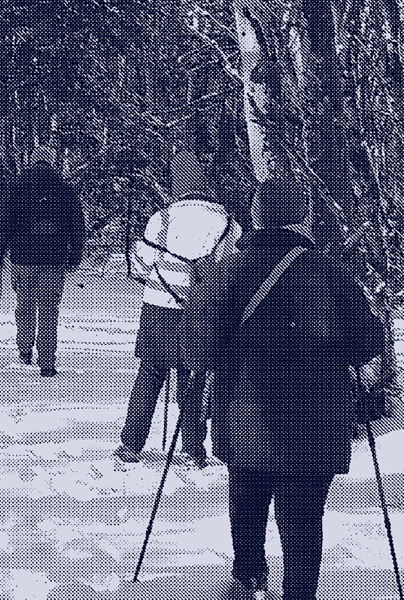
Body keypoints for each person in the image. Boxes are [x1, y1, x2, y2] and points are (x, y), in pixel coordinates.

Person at [181, 174, 383, 598]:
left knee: (247, 503)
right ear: (303, 217)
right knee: (304, 517)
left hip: (245, 411)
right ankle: (298, 592)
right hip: (317, 417)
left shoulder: (226, 272)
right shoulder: (332, 272)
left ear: (256, 215)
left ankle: (248, 576)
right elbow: (367, 343)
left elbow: (198, 350)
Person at [115, 192, 242, 469]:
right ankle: (193, 449)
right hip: (202, 311)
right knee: (194, 381)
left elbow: (140, 266)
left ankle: (131, 444)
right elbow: (229, 271)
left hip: (159, 308)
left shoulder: (162, 219)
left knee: (149, 376)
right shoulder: (228, 224)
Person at [0, 159, 86, 377]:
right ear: (53, 164)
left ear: (31, 164)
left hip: (23, 259)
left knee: (25, 306)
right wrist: (75, 253)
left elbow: (4, 222)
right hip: (54, 258)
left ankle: (24, 350)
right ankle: (47, 363)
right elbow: (78, 225)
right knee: (49, 310)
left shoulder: (17, 188)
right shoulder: (64, 190)